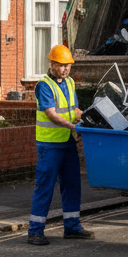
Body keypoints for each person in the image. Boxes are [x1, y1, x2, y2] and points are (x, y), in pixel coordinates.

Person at [27, 44, 94, 245]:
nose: (65, 69)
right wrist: (74, 128)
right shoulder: (44, 85)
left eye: (68, 66)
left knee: (72, 185)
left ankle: (72, 227)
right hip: (50, 144)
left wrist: (90, 118)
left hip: (67, 143)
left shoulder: (70, 82)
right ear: (52, 64)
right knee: (45, 187)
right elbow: (52, 115)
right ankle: (35, 231)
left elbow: (74, 110)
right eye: (62, 65)